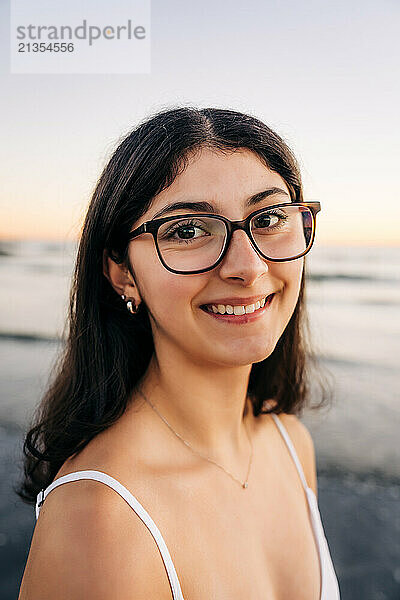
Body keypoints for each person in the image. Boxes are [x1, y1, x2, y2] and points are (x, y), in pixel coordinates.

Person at [17, 106, 340, 599]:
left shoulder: (292, 443)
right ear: (122, 272)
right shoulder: (101, 518)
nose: (248, 267)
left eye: (271, 217)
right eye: (188, 230)